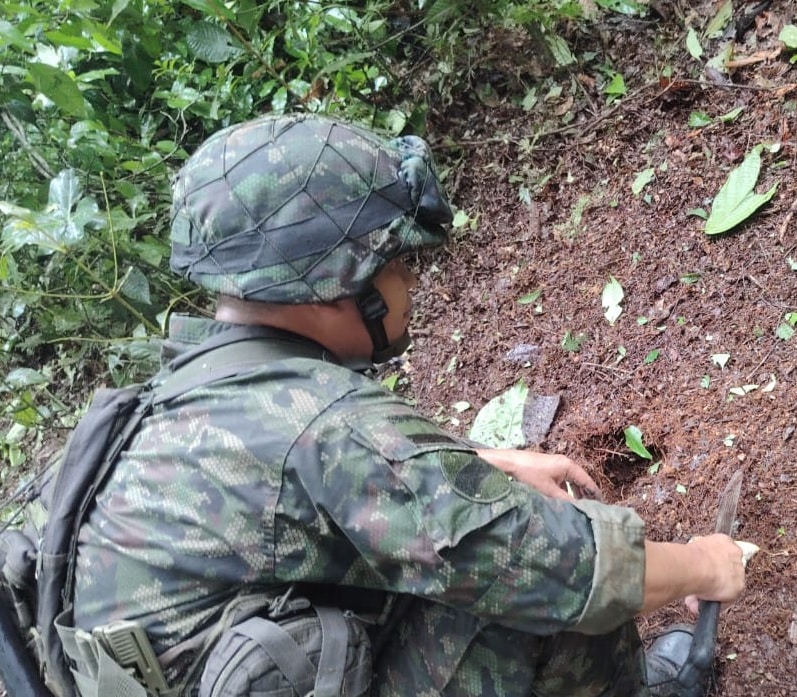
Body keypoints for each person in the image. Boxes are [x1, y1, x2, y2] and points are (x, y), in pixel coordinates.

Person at [66, 113, 747, 697]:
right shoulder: (329, 427)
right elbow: (566, 566)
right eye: (396, 264)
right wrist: (706, 563)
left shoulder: (178, 394)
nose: (410, 283)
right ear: (335, 287)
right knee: (525, 593)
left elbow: (282, 492)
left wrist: (481, 462)